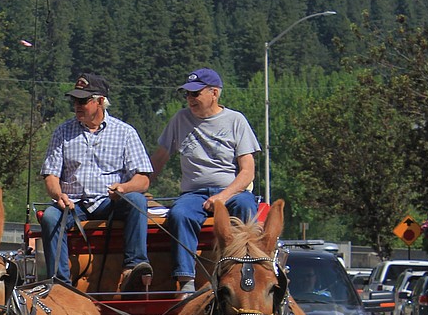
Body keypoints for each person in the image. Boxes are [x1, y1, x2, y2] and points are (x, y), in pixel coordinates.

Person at [38, 73, 153, 288]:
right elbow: (51, 176)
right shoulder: (62, 132)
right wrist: (58, 195)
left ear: (100, 101)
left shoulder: (125, 132)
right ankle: (60, 283)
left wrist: (124, 187)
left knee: (137, 200)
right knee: (50, 217)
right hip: (73, 203)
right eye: (74, 100)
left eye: (83, 100)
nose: (77, 105)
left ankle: (134, 266)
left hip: (110, 201)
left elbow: (143, 179)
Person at [151, 68, 261, 292]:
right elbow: (159, 158)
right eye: (187, 94)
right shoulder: (180, 119)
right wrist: (138, 184)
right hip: (194, 194)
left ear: (214, 93)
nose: (190, 99)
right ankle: (186, 281)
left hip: (231, 191)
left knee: (246, 206)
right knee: (179, 214)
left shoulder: (235, 120)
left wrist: (222, 197)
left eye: (195, 93)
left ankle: (247, 268)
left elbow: (247, 171)